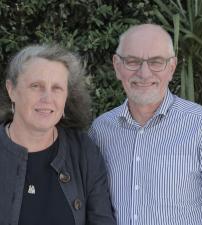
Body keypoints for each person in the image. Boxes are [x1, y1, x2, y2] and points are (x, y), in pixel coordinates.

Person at [89, 23, 202, 225]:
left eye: (156, 62)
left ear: (172, 67)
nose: (144, 73)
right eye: (132, 61)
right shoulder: (101, 130)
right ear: (117, 66)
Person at [0, 44, 116, 225]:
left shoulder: (83, 152)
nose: (47, 98)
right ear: (12, 90)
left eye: (57, 88)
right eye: (36, 86)